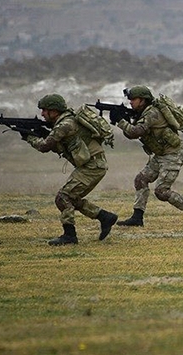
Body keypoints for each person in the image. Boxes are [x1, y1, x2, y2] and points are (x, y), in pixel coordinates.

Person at [26, 94, 118, 246]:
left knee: (63, 197)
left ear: (54, 111)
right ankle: (105, 217)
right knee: (71, 198)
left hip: (92, 167)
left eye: (45, 110)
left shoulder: (64, 125)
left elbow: (44, 146)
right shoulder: (66, 120)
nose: (42, 114)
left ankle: (70, 236)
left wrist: (29, 137)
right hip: (93, 165)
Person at [112, 86, 183, 227]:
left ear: (142, 100)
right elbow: (132, 134)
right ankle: (137, 218)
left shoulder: (152, 113)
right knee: (141, 180)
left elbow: (136, 131)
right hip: (161, 154)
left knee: (161, 191)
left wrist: (121, 121)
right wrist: (125, 120)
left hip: (173, 155)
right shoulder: (143, 113)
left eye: (133, 99)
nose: (130, 102)